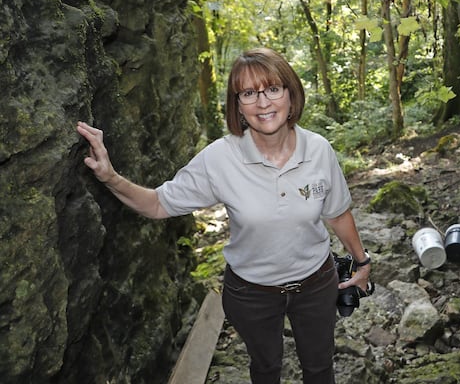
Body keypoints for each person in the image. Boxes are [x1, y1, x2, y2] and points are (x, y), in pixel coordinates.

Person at [76, 47, 371, 384]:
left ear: (291, 95)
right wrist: (110, 177)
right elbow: (157, 204)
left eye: (273, 89)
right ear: (238, 106)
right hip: (251, 294)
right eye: (249, 93)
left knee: (320, 370)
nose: (262, 102)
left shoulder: (318, 150)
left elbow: (338, 214)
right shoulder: (220, 159)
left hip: (316, 284)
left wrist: (362, 263)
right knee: (265, 370)